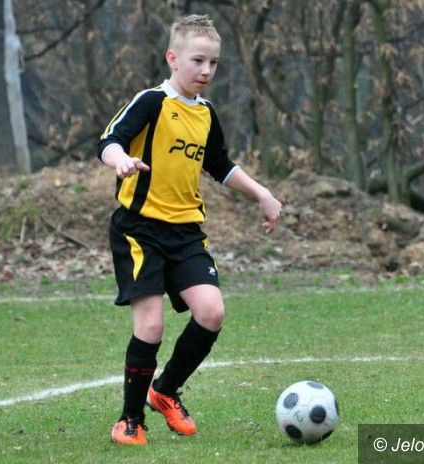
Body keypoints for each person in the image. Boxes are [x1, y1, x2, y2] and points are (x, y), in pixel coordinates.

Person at [98, 14, 283, 445]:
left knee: (211, 312)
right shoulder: (152, 102)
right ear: (173, 58)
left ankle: (164, 391)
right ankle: (129, 420)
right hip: (139, 230)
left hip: (185, 232)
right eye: (198, 61)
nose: (206, 70)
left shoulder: (205, 113)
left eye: (213, 63)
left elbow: (219, 165)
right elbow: (108, 140)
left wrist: (262, 193)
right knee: (151, 327)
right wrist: (120, 160)